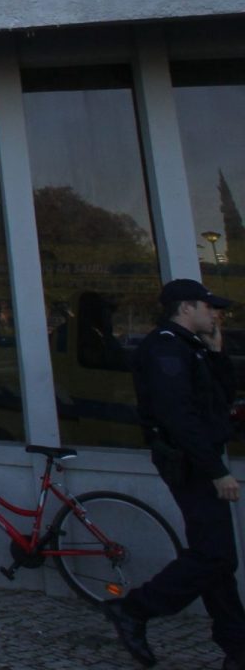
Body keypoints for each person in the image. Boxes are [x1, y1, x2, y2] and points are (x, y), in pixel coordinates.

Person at [104, 278, 244, 669]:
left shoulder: (189, 347)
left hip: (199, 458)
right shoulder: (164, 349)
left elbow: (221, 399)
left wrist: (216, 354)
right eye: (209, 307)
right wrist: (215, 471)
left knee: (216, 556)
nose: (215, 314)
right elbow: (179, 418)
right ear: (186, 308)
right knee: (214, 554)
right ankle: (134, 609)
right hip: (190, 462)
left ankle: (237, 646)